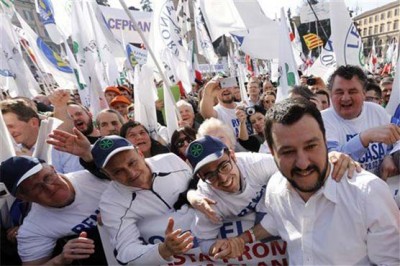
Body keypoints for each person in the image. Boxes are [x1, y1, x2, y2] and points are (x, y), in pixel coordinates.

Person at [223, 98, 400, 265]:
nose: (303, 163)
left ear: (325, 139)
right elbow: (277, 221)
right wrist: (242, 239)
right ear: (271, 151)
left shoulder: (368, 193)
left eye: (311, 146)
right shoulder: (275, 188)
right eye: (287, 152)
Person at [91, 136, 194, 265]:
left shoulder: (171, 160)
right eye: (118, 171)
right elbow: (125, 252)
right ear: (107, 174)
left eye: (132, 163)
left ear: (140, 153)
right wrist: (164, 249)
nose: (131, 173)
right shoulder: (111, 203)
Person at [0, 156, 109, 265]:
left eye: (47, 177)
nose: (50, 188)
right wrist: (60, 260)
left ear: (53, 169)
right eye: (36, 188)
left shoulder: (96, 177)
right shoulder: (34, 229)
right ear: (24, 198)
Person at [322, 65, 400, 179]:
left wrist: (391, 155)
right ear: (330, 95)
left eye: (352, 91)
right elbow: (334, 161)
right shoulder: (322, 120)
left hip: (380, 191)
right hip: (346, 194)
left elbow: (397, 135)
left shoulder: (376, 111)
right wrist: (365, 137)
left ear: (364, 93)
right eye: (339, 92)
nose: (345, 98)